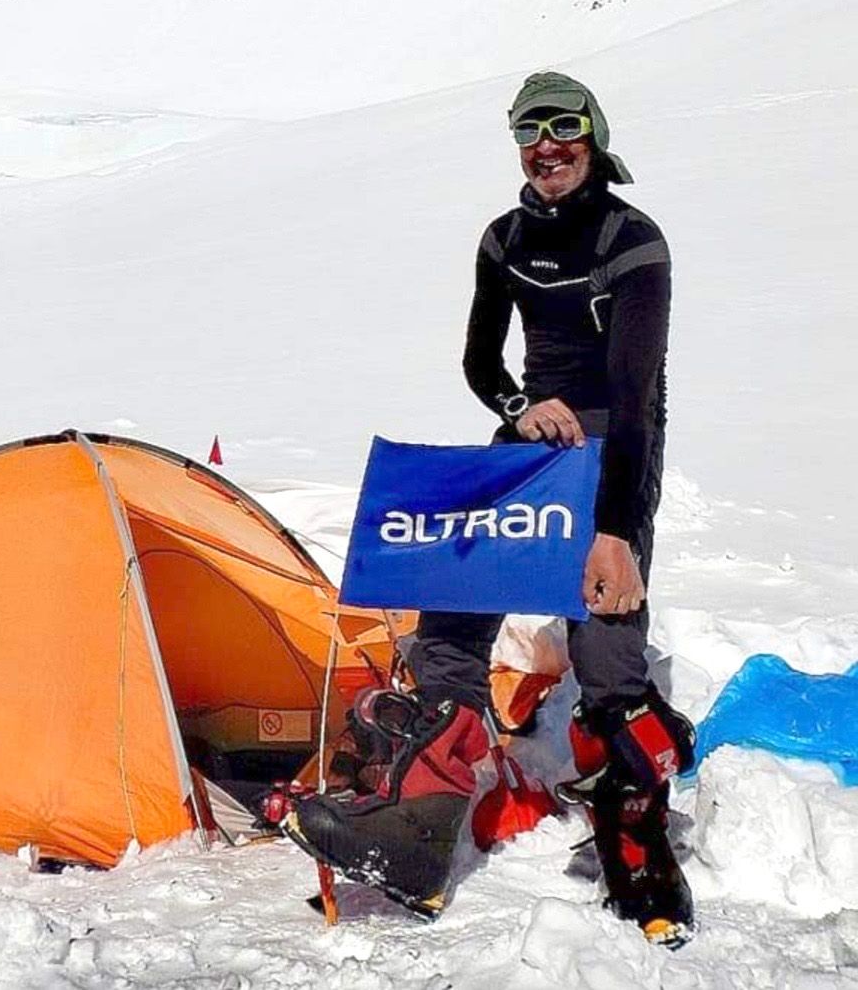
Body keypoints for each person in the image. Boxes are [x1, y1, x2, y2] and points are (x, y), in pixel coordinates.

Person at [283, 72, 695, 939]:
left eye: (564, 126)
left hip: (611, 448)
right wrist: (516, 407)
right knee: (452, 624)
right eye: (528, 129)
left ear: (594, 134)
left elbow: (632, 385)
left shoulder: (633, 239)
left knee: (605, 638)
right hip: (528, 442)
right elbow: (480, 360)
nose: (547, 143)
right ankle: (418, 827)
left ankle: (637, 839)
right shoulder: (504, 238)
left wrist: (616, 528)